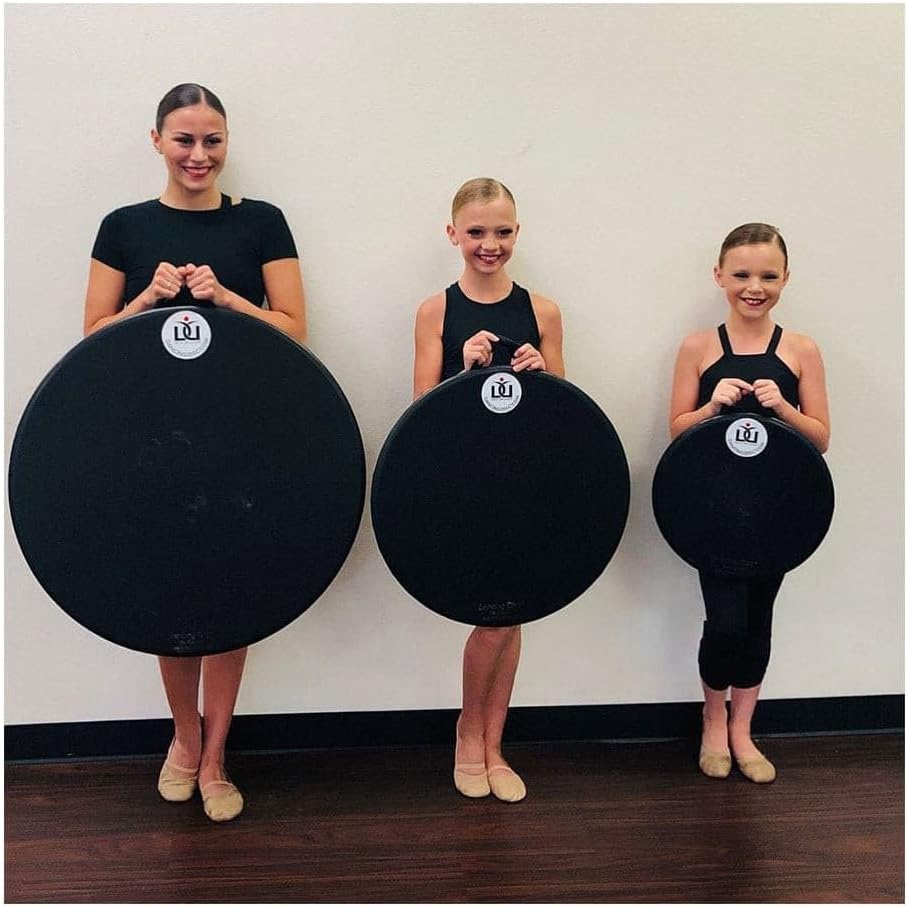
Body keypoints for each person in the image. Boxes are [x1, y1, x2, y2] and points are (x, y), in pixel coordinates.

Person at [83, 83, 306, 821]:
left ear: (227, 143)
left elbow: (295, 329)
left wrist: (229, 300)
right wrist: (147, 300)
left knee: (229, 591)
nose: (199, 154)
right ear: (157, 141)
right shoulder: (123, 227)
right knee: (170, 588)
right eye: (184, 139)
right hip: (152, 442)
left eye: (212, 140)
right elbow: (92, 340)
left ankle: (216, 756)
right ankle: (184, 737)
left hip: (240, 435)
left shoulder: (262, 222)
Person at [412, 178, 564, 802]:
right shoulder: (436, 311)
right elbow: (419, 415)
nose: (489, 244)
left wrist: (542, 373)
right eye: (476, 232)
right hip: (465, 484)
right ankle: (467, 732)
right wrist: (462, 369)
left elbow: (563, 416)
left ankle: (494, 744)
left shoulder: (544, 311)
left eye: (502, 232)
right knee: (491, 616)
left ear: (517, 233)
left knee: (513, 612)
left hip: (525, 481)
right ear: (453, 234)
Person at [668, 223, 830, 783]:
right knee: (726, 622)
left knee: (758, 621)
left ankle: (743, 729)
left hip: (777, 514)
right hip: (713, 513)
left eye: (768, 276)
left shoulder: (801, 349)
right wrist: (711, 406)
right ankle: (713, 721)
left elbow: (821, 437)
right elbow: (677, 431)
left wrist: (782, 406)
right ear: (719, 276)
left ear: (785, 278)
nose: (754, 287)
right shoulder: (698, 347)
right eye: (741, 274)